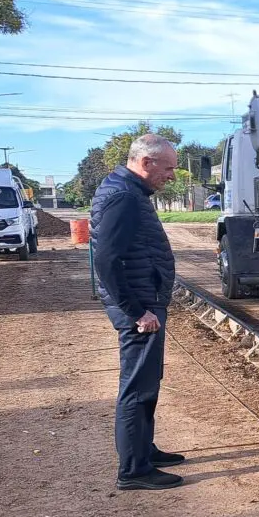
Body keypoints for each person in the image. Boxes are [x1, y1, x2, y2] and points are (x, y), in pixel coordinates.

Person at [91, 134, 182, 491]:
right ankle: (133, 469)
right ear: (146, 163)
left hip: (145, 300)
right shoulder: (124, 197)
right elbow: (106, 260)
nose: (172, 175)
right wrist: (136, 311)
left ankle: (144, 450)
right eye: (169, 168)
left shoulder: (129, 192)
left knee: (148, 382)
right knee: (137, 388)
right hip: (140, 308)